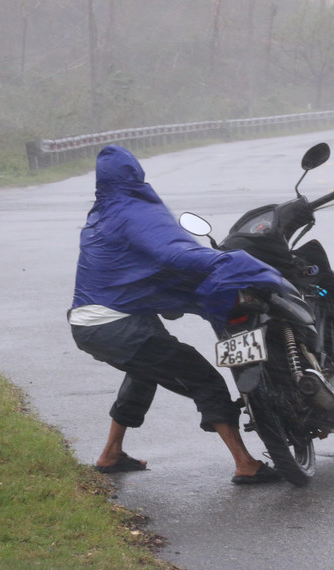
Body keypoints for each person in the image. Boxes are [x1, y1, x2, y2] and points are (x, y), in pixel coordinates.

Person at [68, 144, 285, 485]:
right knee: (202, 378)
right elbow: (172, 253)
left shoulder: (102, 215)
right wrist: (230, 263)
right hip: (116, 323)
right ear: (135, 176)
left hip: (91, 321)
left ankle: (111, 453)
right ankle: (246, 463)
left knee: (144, 371)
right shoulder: (132, 212)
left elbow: (132, 263)